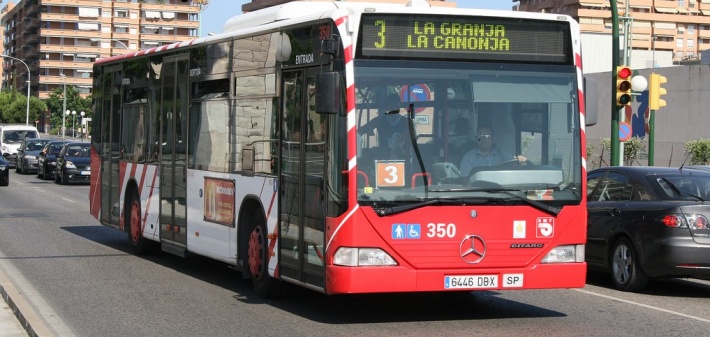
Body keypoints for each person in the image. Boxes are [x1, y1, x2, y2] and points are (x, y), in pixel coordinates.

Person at [459, 125, 526, 177]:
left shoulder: (503, 155)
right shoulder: (468, 158)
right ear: (476, 139)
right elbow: (465, 182)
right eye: (480, 136)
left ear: (493, 139)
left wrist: (520, 161)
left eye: (487, 136)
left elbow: (516, 165)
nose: (483, 139)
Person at [359, 93, 410, 159]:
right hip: (382, 158)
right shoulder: (380, 120)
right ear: (387, 107)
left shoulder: (406, 122)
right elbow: (360, 131)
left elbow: (413, 144)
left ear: (400, 107)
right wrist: (368, 129)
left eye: (397, 107)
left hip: (403, 159)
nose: (394, 110)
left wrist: (404, 152)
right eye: (392, 107)